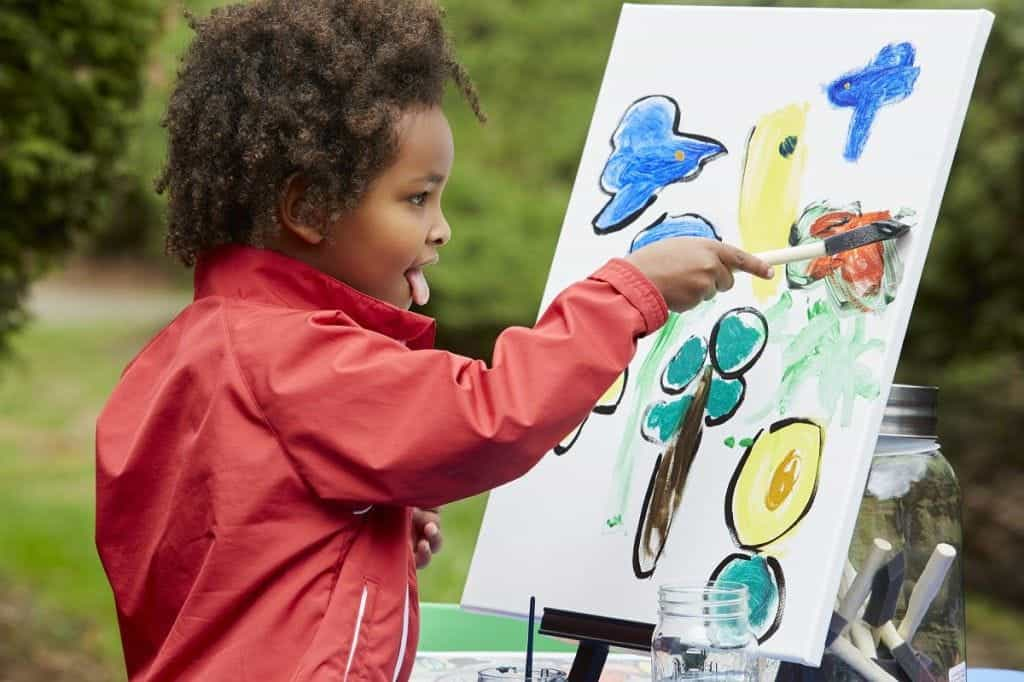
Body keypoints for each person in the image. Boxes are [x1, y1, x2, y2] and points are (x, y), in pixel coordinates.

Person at [94, 1, 774, 680]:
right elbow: (492, 416)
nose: (440, 228)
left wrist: (362, 528)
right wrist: (624, 294)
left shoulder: (193, 349)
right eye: (417, 198)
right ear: (307, 210)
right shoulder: (292, 356)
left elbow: (230, 543)